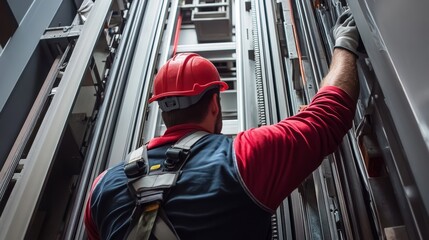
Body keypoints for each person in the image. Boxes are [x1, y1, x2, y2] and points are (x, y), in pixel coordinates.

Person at [84, 9, 360, 240]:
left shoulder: (101, 188)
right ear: (215, 103)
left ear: (163, 110)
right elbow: (327, 118)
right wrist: (344, 43)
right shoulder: (241, 158)